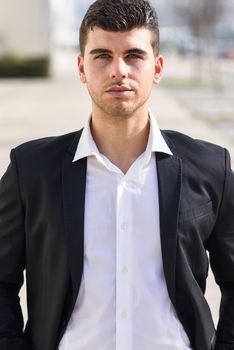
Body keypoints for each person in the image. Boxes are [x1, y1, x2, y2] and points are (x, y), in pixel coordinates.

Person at [0, 0, 234, 349]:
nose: (118, 70)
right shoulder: (31, 169)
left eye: (134, 56)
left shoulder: (211, 167)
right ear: (81, 67)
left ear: (157, 67)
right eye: (102, 56)